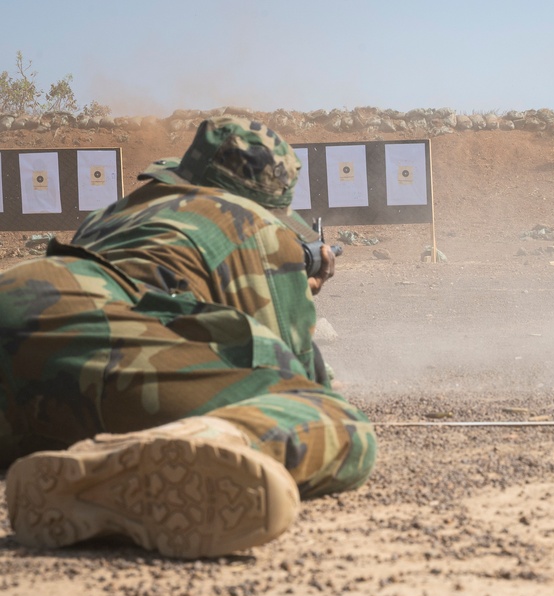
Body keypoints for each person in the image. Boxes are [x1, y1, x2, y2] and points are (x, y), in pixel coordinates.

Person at [0, 116, 376, 559]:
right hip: (92, 333)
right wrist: (296, 284)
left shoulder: (114, 212)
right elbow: (289, 371)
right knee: (340, 424)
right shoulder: (256, 224)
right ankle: (186, 452)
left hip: (23, 294)